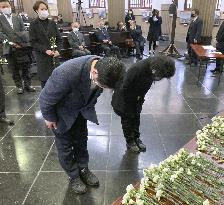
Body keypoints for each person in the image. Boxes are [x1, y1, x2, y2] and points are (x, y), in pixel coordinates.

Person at [40, 55, 125, 194]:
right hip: (61, 114)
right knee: (65, 147)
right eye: (102, 86)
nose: (102, 89)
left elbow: (95, 91)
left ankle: (83, 168)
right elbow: (45, 98)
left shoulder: (106, 69)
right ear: (94, 72)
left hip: (81, 110)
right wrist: (49, 118)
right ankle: (73, 175)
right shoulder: (66, 73)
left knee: (81, 141)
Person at [111, 56, 176, 153]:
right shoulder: (137, 68)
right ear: (157, 69)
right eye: (160, 76)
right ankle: (130, 142)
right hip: (125, 98)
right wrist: (135, 98)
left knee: (136, 118)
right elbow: (125, 86)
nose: (159, 78)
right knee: (127, 120)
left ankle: (136, 138)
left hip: (138, 97)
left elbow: (146, 84)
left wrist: (139, 97)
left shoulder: (154, 67)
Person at [0, 0, 35, 94]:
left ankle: (28, 84)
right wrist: (11, 43)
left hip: (21, 46)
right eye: (2, 7)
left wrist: (20, 42)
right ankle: (19, 86)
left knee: (25, 67)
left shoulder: (17, 17)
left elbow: (23, 30)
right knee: (13, 68)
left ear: (10, 6)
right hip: (9, 47)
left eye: (6, 6)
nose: (5, 8)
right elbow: (1, 34)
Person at [29, 1, 62, 88]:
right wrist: (45, 50)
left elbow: (59, 39)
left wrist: (58, 50)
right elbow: (33, 42)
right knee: (45, 81)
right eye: (42, 9)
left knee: (56, 78)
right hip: (42, 56)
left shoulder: (52, 23)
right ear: (37, 11)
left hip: (54, 56)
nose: (45, 11)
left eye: (46, 9)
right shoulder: (33, 24)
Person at [211, 8, 224, 74]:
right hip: (219, 42)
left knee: (221, 56)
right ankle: (217, 68)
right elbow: (219, 31)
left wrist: (218, 40)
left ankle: (220, 69)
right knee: (217, 56)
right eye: (223, 12)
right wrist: (216, 38)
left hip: (223, 43)